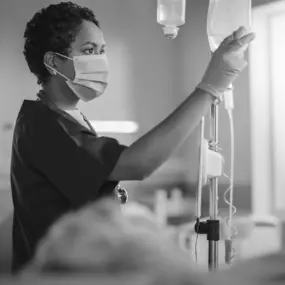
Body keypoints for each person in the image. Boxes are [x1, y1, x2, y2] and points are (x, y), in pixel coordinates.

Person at [10, 1, 255, 273]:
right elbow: (137, 164)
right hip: (60, 274)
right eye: (89, 50)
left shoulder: (66, 117)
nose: (100, 59)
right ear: (54, 61)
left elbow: (91, 187)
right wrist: (208, 88)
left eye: (102, 50)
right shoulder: (44, 125)